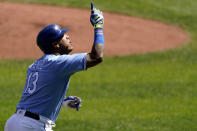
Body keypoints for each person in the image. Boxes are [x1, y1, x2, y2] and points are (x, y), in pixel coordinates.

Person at [4, 2, 105, 131]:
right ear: (56, 45)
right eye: (63, 36)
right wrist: (98, 26)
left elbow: (37, 95)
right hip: (31, 126)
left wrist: (61, 101)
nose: (68, 36)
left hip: (15, 122)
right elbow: (97, 56)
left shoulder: (35, 65)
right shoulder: (57, 63)